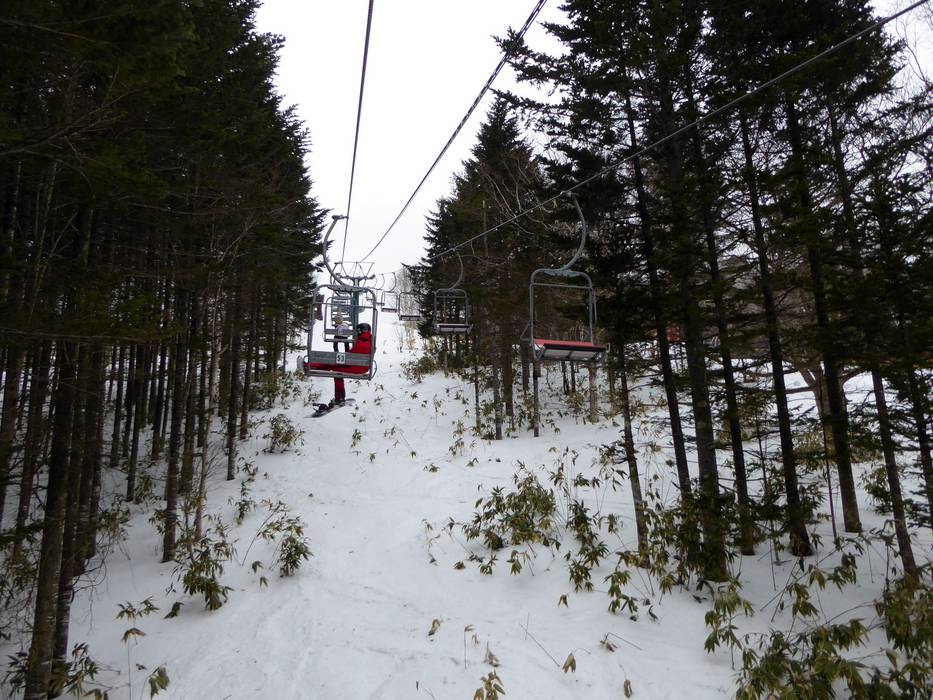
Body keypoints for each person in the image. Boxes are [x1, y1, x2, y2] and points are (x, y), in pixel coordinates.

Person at [307, 322, 374, 407]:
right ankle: (340, 397)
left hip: (354, 366)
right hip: (361, 367)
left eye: (358, 331)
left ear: (361, 331)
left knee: (333, 364)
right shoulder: (370, 341)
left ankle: (310, 366)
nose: (357, 333)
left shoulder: (361, 342)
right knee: (335, 369)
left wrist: (343, 360)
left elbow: (351, 356)